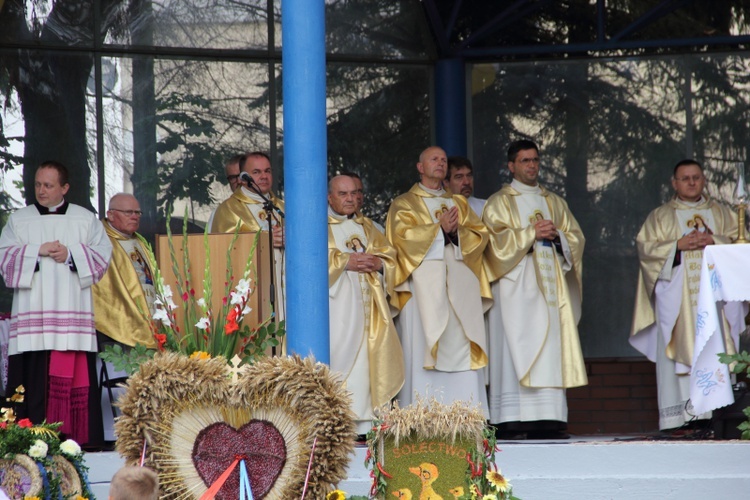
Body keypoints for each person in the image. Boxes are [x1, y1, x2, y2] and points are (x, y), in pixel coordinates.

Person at [0, 161, 112, 445]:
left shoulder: (85, 219)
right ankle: (26, 441)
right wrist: (36, 251)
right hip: (31, 320)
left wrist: (72, 254)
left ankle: (76, 441)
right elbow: (4, 258)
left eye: (48, 185)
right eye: (38, 184)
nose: (41, 190)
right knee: (32, 383)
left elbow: (102, 257)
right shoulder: (20, 219)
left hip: (71, 318)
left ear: (65, 188)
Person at [483, 140, 587, 439]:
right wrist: (531, 233)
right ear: (511, 166)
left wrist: (559, 238)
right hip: (516, 288)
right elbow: (492, 244)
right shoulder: (499, 202)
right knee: (515, 347)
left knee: (550, 347)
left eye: (535, 160)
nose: (532, 166)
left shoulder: (554, 201)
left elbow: (576, 238)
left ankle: (550, 417)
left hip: (550, 286)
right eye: (525, 160)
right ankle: (512, 419)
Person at [630, 159, 742, 432]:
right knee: (678, 354)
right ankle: (680, 418)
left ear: (704, 180)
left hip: (716, 303)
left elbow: (742, 247)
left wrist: (715, 242)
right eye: (685, 178)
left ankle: (718, 415)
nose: (691, 182)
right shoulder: (660, 216)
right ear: (674, 183)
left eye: (696, 177)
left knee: (716, 347)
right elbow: (646, 250)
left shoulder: (724, 214)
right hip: (678, 304)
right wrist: (677, 246)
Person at [385, 146, 491, 415]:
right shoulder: (404, 203)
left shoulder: (460, 204)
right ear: (420, 167)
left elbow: (480, 237)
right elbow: (401, 240)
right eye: (434, 159)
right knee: (423, 345)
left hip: (459, 287)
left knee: (461, 343)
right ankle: (421, 417)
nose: (440, 163)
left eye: (444, 160)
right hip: (423, 291)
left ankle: (466, 415)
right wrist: (439, 230)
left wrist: (456, 235)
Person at [327, 175, 404, 435]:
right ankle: (338, 422)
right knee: (339, 360)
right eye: (343, 194)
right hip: (337, 308)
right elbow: (309, 260)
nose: (350, 199)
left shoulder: (369, 226)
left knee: (367, 362)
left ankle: (367, 423)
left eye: (354, 193)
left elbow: (391, 257)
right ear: (329, 197)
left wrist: (379, 264)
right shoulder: (318, 226)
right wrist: (343, 263)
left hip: (369, 308)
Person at [93, 193, 156, 441]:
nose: (135, 217)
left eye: (138, 213)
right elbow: (109, 292)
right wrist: (136, 320)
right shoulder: (103, 241)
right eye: (129, 213)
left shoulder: (139, 241)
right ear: (111, 214)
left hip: (148, 317)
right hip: (120, 328)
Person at [211, 152, 286, 322]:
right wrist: (264, 241)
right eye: (256, 172)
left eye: (267, 171)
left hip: (286, 285)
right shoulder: (228, 209)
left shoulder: (282, 207)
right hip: (253, 287)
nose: (264, 176)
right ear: (243, 178)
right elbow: (223, 248)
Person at [207, 154, 244, 230]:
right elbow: (208, 241)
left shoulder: (270, 208)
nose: (239, 181)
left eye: (242, 176)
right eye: (233, 178)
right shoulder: (220, 213)